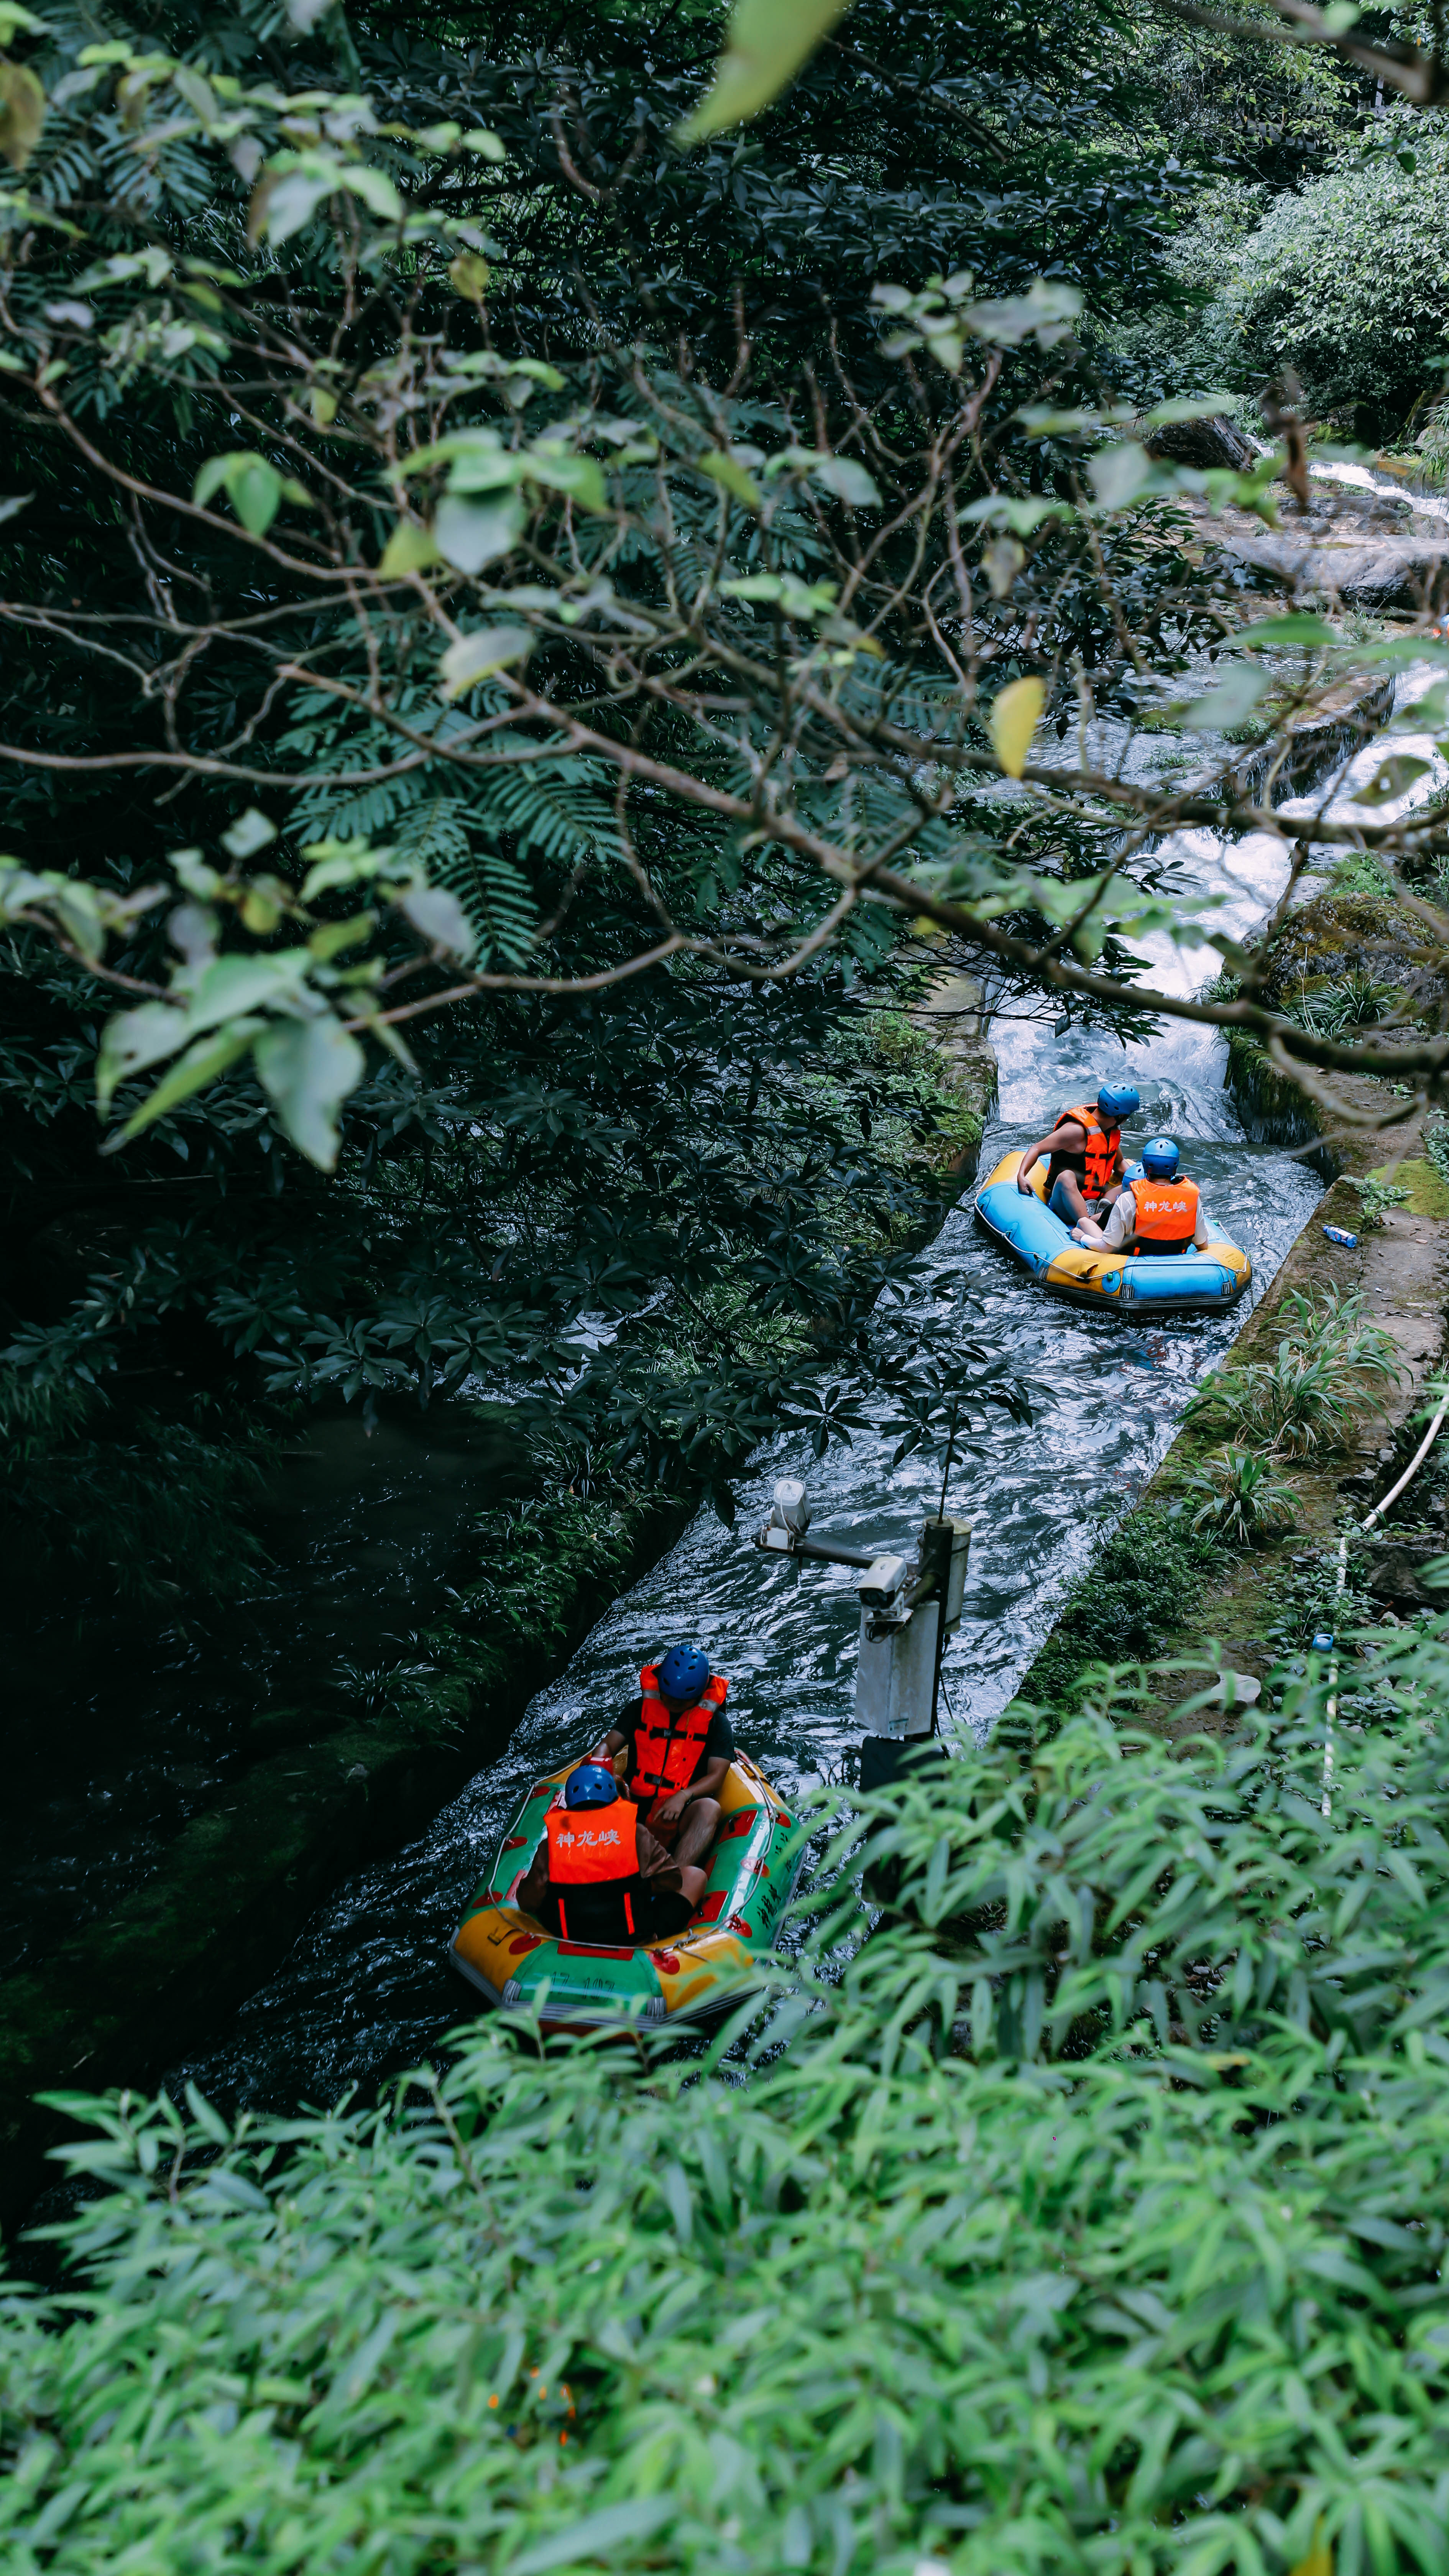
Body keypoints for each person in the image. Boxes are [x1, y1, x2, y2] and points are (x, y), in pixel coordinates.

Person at [513, 1762, 705, 1944]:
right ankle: (656, 1946)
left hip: (569, 1938)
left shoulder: (552, 1844)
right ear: (613, 1800)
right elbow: (672, 1881)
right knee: (696, 1876)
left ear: (569, 1804)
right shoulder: (636, 1833)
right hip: (633, 1941)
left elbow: (529, 1900)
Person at [587, 1643, 732, 1883]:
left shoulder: (718, 1724)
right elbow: (608, 1745)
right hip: (633, 1802)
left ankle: (669, 1878)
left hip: (679, 1812)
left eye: (680, 1700)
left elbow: (717, 1775)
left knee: (710, 1809)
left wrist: (684, 1796)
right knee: (598, 1781)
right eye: (668, 1697)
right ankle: (596, 1864)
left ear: (698, 1694)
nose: (672, 1703)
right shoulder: (639, 1708)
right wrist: (601, 1767)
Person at [1015, 1084, 1141, 1228]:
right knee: (1066, 1176)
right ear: (1121, 1117)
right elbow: (1037, 1148)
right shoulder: (1076, 1131)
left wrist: (1142, 1181)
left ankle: (1099, 1216)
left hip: (1097, 1200)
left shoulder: (1109, 1132)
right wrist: (1021, 1175)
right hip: (1065, 1202)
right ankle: (1089, 1224)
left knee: (1136, 1180)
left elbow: (1119, 1164)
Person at [1071, 1136, 1211, 1255]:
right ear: (1175, 1167)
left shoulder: (1129, 1199)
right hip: (1177, 1257)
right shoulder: (1192, 1199)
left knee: (1084, 1222)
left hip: (1133, 1261)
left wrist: (1083, 1238)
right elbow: (1203, 1245)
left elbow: (1107, 1247)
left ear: (1145, 1166)